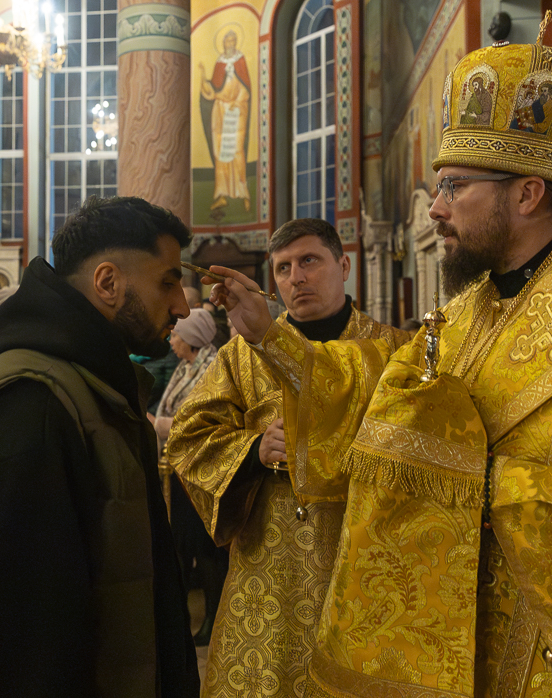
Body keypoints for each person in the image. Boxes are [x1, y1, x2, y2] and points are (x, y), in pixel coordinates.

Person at [209, 39, 552, 697]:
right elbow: (381, 397)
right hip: (475, 651)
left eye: (454, 186)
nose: (436, 208)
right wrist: (275, 341)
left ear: (527, 194)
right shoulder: (475, 308)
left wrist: (478, 482)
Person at [0, 196, 200, 698]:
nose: (183, 307)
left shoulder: (85, 380)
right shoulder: (33, 400)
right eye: (168, 282)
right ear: (107, 283)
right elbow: (31, 645)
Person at [167, 219, 409, 696]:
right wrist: (252, 451)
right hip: (270, 565)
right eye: (282, 268)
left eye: (309, 261)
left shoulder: (394, 349)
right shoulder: (239, 357)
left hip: (364, 556)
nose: (296, 277)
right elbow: (187, 436)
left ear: (344, 266)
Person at [152, 308, 225, 646]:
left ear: (192, 339)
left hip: (203, 471)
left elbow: (199, 419)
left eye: (176, 335)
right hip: (178, 469)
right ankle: (179, 618)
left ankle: (212, 618)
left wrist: (159, 424)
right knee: (181, 545)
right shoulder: (186, 366)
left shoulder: (211, 368)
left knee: (205, 548)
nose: (171, 340)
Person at [199, 29, 251, 212]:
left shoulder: (240, 60)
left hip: (236, 113)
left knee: (237, 152)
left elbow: (246, 89)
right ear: (223, 44)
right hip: (220, 112)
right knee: (220, 153)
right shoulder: (220, 63)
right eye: (228, 41)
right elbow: (213, 88)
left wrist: (237, 102)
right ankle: (221, 195)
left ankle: (243, 193)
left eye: (233, 41)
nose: (231, 44)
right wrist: (203, 78)